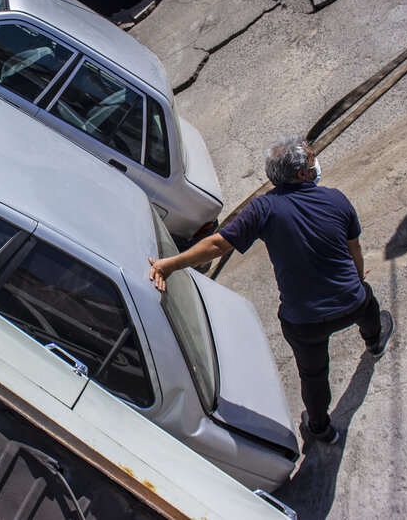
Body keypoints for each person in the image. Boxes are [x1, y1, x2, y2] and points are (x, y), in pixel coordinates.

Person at [148, 138, 393, 444]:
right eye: (311, 161)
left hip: (304, 322)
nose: (315, 165)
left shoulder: (263, 209)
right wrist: (356, 280)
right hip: (352, 302)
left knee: (314, 375)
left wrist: (170, 264)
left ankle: (320, 428)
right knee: (368, 304)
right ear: (303, 175)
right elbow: (354, 248)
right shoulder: (336, 200)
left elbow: (217, 244)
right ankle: (374, 341)